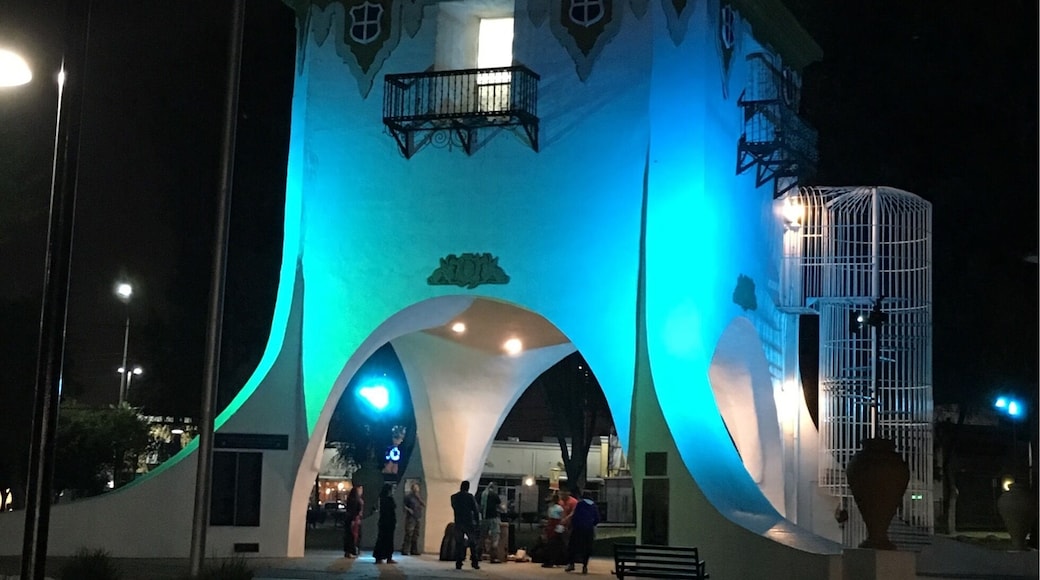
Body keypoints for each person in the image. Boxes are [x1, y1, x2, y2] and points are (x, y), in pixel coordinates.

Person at [565, 487, 599, 574]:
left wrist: (572, 525)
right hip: (588, 529)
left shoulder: (580, 504)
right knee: (587, 547)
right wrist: (592, 524)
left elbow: (575, 516)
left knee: (573, 546)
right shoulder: (594, 506)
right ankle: (585, 566)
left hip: (578, 528)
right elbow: (597, 519)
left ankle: (571, 564)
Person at [450, 480, 481, 570]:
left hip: (458, 522)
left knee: (459, 543)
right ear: (468, 487)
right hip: (468, 522)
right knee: (472, 543)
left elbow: (454, 507)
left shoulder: (454, 497)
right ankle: (474, 562)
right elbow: (475, 510)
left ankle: (458, 562)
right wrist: (477, 522)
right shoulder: (470, 497)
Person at [372, 483, 398, 564]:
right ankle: (387, 557)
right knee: (388, 540)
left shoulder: (382, 499)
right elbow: (390, 511)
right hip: (388, 522)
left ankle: (380, 557)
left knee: (382, 539)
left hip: (384, 522)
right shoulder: (388, 499)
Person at [479, 482, 503, 563]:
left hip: (484, 518)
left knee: (482, 537)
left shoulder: (482, 494)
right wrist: (503, 510)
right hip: (493, 518)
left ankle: (478, 555)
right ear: (494, 487)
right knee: (495, 536)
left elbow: (480, 507)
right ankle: (494, 557)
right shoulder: (494, 495)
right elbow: (499, 506)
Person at [540, 492, 565, 568]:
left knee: (553, 544)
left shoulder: (556, 508)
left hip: (554, 525)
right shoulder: (555, 508)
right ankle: (553, 560)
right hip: (553, 525)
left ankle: (552, 560)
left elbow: (561, 518)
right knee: (553, 544)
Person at [401, 481, 426, 555]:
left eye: (417, 488)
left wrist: (419, 498)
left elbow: (423, 505)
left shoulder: (418, 497)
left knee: (416, 534)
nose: (416, 489)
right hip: (410, 518)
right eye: (415, 488)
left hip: (417, 517)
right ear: (412, 489)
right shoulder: (408, 497)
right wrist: (409, 510)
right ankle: (405, 550)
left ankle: (414, 550)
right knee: (409, 533)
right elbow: (404, 506)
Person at [342, 484, 364, 558]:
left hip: (352, 519)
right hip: (354, 520)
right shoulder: (355, 500)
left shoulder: (352, 499)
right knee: (353, 536)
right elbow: (355, 510)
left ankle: (349, 551)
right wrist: (354, 519)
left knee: (351, 535)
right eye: (360, 489)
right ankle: (351, 551)